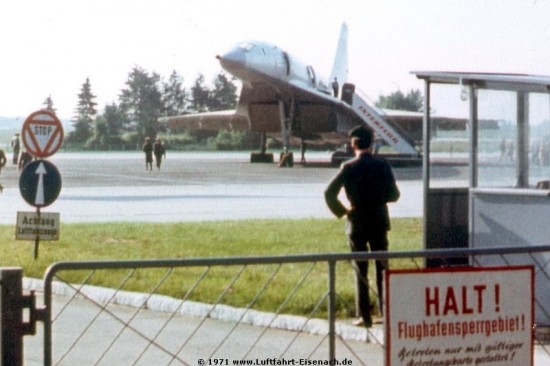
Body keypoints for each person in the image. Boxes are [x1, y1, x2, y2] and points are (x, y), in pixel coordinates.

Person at [324, 125, 400, 328]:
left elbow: (328, 193)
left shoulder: (348, 167)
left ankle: (364, 316)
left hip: (357, 222)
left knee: (360, 269)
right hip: (379, 220)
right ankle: (387, 313)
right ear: (372, 143)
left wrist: (344, 211)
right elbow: (395, 195)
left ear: (354, 144)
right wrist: (377, 199)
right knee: (383, 269)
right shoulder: (383, 165)